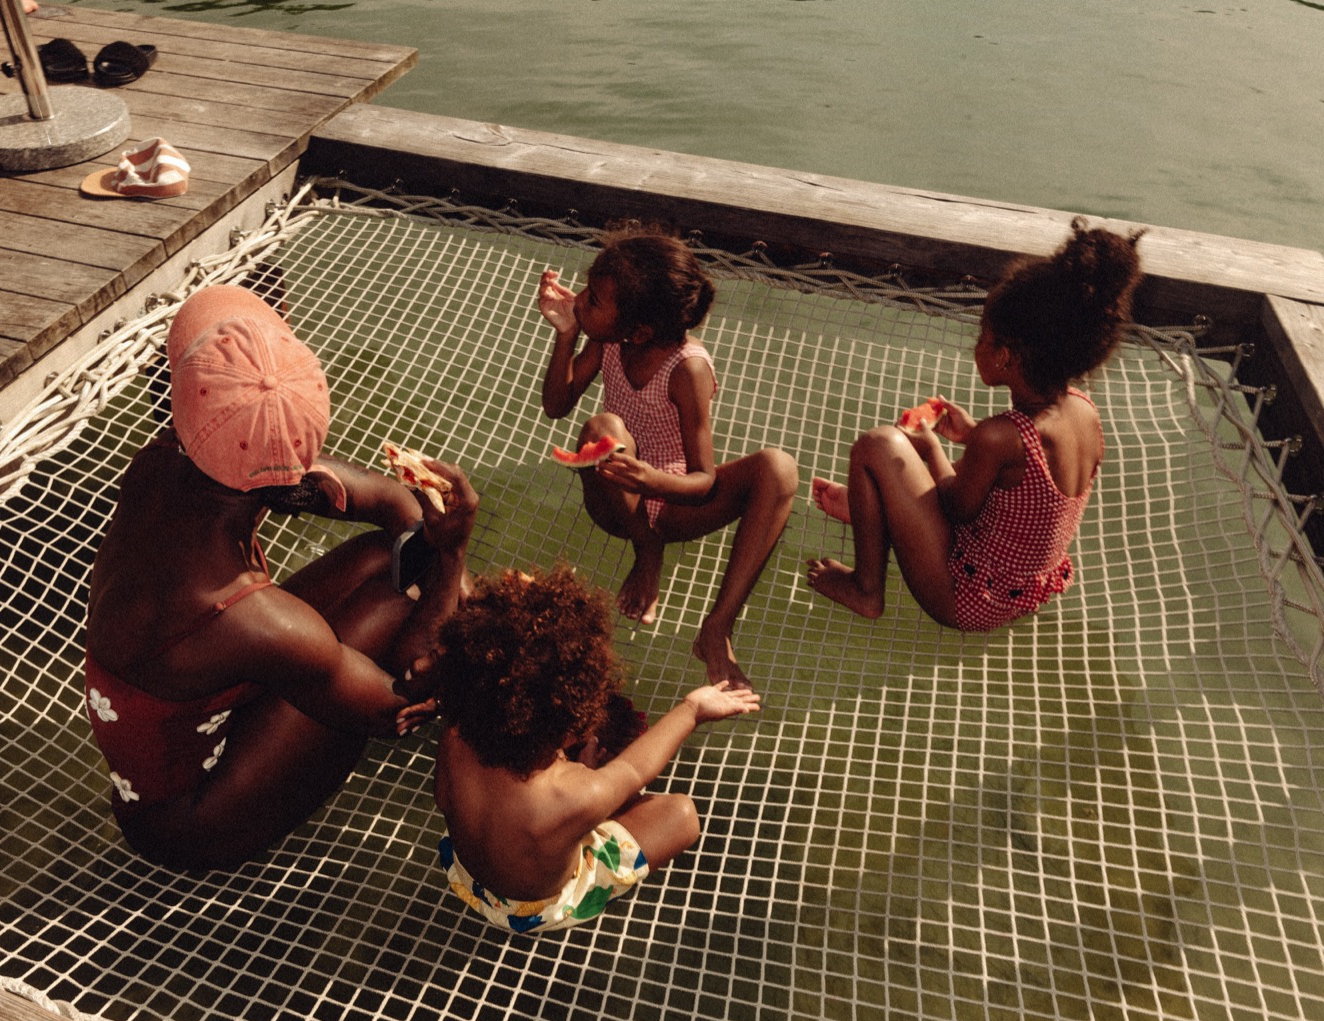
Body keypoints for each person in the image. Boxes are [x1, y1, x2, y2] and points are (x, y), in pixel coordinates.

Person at [84, 283, 477, 870]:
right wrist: (452, 558)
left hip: (196, 698)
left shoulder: (162, 462)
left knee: (388, 558)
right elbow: (393, 710)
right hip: (185, 823)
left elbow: (389, 502)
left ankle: (445, 616)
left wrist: (436, 555)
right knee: (407, 601)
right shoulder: (256, 622)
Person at [807, 218, 1145, 631]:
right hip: (1026, 589)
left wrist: (930, 446)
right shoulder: (1082, 410)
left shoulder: (999, 437)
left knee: (876, 445)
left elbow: (955, 508)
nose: (976, 346)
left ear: (1004, 356)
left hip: (968, 598)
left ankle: (865, 590)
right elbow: (1016, 483)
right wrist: (970, 437)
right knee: (928, 470)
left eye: (982, 336)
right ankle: (871, 515)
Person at [537, 224, 799, 689]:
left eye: (593, 300)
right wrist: (566, 335)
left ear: (639, 331)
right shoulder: (607, 339)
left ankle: (717, 627)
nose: (579, 300)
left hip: (673, 497)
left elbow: (703, 480)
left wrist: (651, 480)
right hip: (615, 500)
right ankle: (647, 549)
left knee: (778, 468)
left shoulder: (687, 369)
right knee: (602, 429)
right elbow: (557, 406)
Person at [431, 566, 760, 933]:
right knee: (682, 816)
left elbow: (446, 798)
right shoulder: (577, 794)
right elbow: (633, 770)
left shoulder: (456, 736)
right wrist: (692, 709)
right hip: (535, 910)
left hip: (466, 876)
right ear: (570, 729)